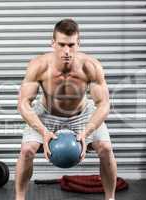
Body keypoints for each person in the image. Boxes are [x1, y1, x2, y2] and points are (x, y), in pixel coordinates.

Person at [15, 19, 117, 200]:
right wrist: (43, 132)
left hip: (82, 113)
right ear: (52, 43)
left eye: (71, 45)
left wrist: (86, 132)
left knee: (106, 149)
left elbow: (103, 104)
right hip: (47, 113)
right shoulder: (38, 66)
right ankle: (19, 198)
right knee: (27, 151)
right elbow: (23, 103)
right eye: (61, 45)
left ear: (79, 43)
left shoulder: (91, 66)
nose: (67, 51)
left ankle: (110, 198)